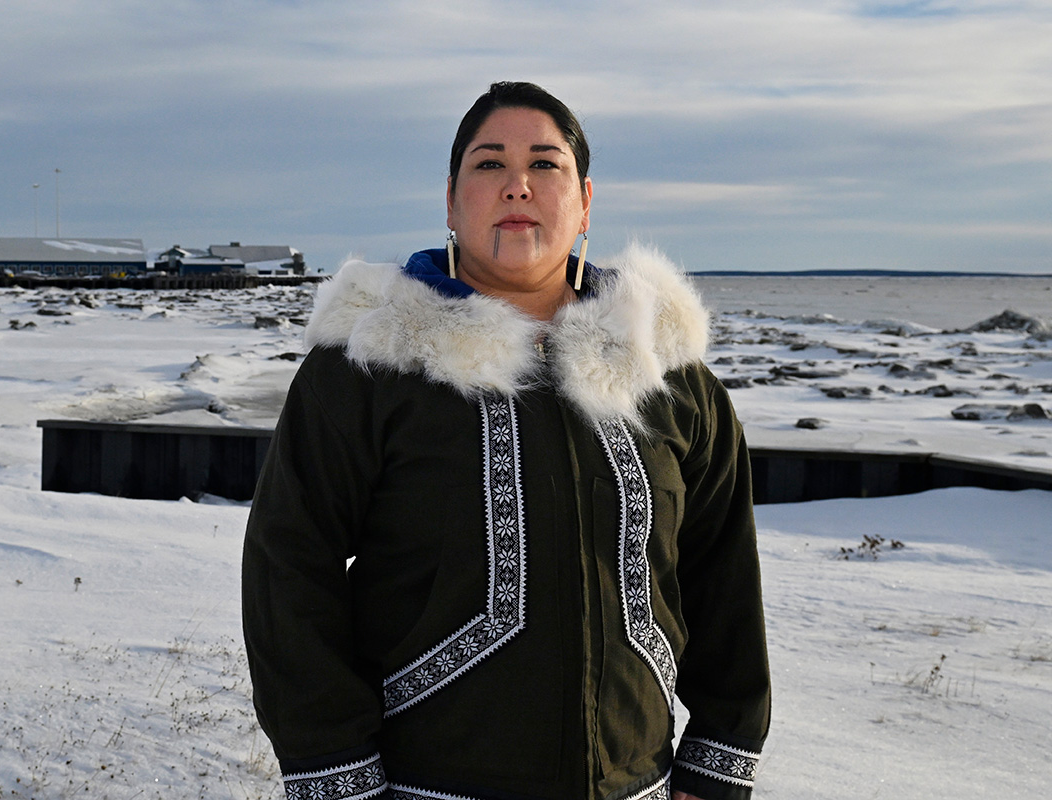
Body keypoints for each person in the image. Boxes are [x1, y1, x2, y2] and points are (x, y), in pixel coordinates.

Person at [242, 81, 770, 800]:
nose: (517, 184)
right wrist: (333, 765)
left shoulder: (668, 376)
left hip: (635, 783)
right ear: (451, 201)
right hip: (424, 786)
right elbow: (289, 565)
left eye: (545, 165)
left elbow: (722, 568)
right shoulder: (368, 365)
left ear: (585, 202)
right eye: (489, 165)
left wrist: (721, 752)